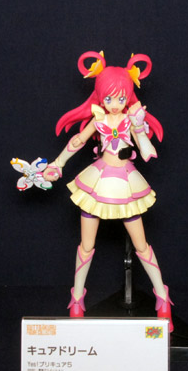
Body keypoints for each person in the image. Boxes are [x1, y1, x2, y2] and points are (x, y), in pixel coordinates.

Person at [43, 50, 174, 331]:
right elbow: (78, 141)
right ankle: (77, 298)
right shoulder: (99, 119)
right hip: (98, 181)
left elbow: (147, 151)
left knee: (141, 245)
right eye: (110, 98)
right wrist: (57, 164)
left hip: (125, 183)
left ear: (128, 97)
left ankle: (162, 297)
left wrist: (139, 127)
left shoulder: (131, 119)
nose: (115, 104)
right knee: (86, 246)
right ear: (101, 97)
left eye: (121, 98)